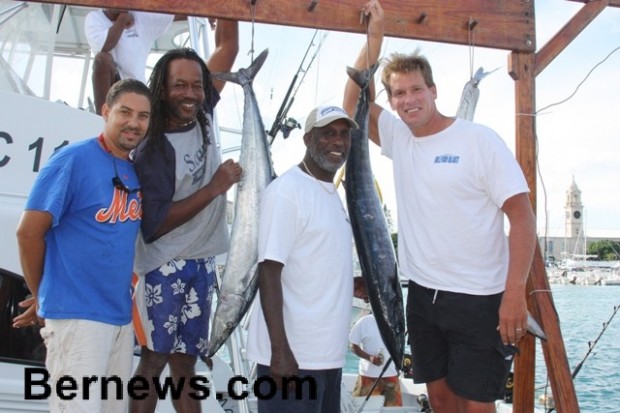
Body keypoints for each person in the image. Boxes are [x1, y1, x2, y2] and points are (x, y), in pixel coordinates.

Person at [343, 2, 537, 412]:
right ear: (392, 101)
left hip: (480, 298)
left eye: (416, 90)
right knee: (441, 399)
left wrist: (514, 294)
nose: (408, 100)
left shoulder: (478, 140)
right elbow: (351, 103)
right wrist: (372, 43)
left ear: (433, 91)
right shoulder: (400, 139)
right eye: (398, 93)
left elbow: (521, 216)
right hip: (423, 299)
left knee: (477, 404)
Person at [13, 78, 151, 412]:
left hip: (118, 321)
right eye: (125, 112)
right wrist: (45, 296)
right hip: (79, 320)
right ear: (105, 112)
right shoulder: (73, 160)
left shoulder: (132, 170)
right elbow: (28, 233)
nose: (134, 122)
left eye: (143, 116)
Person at [130, 19, 240, 413]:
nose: (191, 93)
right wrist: (214, 187)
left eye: (197, 85)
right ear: (163, 89)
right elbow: (154, 225)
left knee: (186, 365)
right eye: (181, 85)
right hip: (165, 265)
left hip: (200, 262)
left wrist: (227, 11)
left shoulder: (202, 113)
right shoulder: (155, 149)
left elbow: (227, 49)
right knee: (154, 360)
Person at [246, 105, 358, 412]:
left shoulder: (330, 193)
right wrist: (279, 351)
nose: (339, 142)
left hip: (327, 357)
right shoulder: (286, 192)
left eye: (344, 135)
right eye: (328, 134)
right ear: (308, 139)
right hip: (291, 361)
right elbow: (269, 271)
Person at [85, 8, 178, 114]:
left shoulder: (141, 16)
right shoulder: (94, 18)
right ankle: (102, 116)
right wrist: (123, 18)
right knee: (102, 59)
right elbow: (105, 46)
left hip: (136, 87)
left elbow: (181, 12)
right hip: (112, 85)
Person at [349, 277, 403, 407]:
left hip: (391, 376)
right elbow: (353, 345)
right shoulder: (364, 322)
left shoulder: (396, 321)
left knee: (393, 410)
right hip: (367, 376)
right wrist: (369, 358)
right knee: (363, 408)